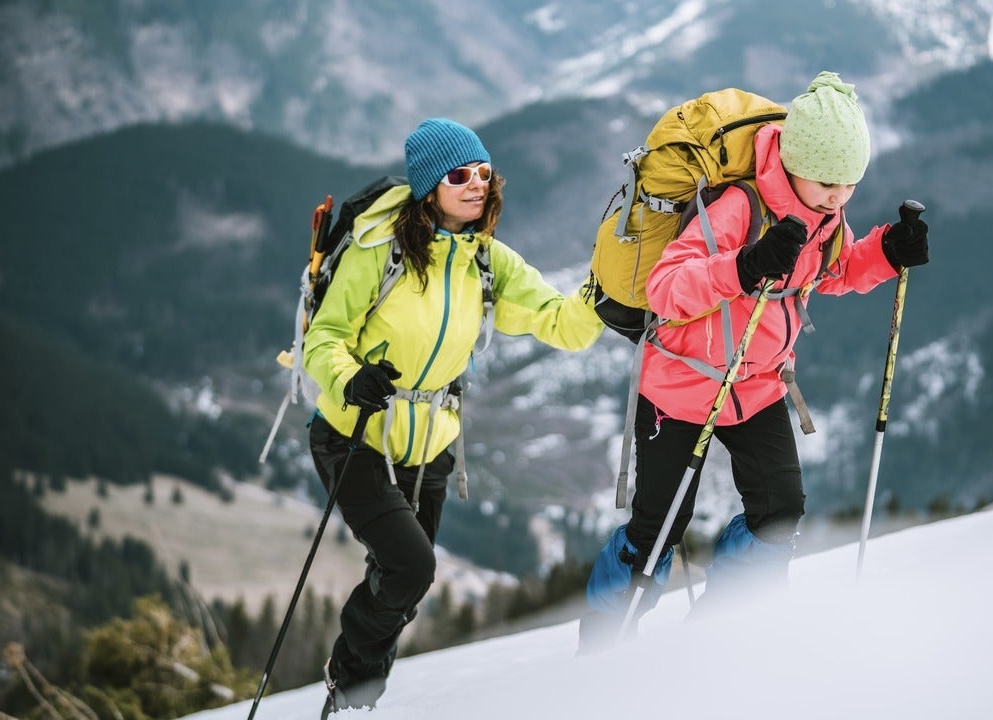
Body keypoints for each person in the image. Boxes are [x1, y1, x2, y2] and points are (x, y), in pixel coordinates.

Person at [579, 71, 930, 650]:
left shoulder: (824, 215)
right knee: (658, 530)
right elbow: (667, 288)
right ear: (793, 162)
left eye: (849, 185)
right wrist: (742, 266)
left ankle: (725, 638)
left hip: (759, 386)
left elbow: (831, 271)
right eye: (826, 183)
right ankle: (600, 645)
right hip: (680, 388)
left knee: (779, 513)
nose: (838, 197)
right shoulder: (740, 206)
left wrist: (887, 251)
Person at [304, 118, 603, 716]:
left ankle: (358, 693)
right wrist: (349, 378)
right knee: (411, 567)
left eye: (484, 173)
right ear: (428, 186)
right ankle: (352, 688)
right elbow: (324, 337)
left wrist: (613, 287)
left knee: (403, 584)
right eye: (459, 175)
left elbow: (561, 321)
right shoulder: (376, 251)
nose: (476, 185)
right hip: (354, 436)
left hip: (431, 446)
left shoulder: (487, 262)